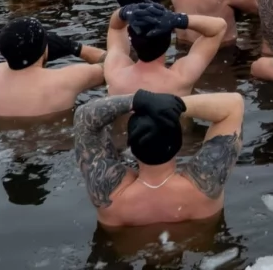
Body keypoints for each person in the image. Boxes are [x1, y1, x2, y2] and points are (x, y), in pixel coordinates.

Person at [73, 88, 243, 227]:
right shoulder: (205, 183)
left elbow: (84, 116)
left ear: (131, 146)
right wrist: (176, 104)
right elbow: (234, 104)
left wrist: (139, 99)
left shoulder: (108, 192)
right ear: (178, 143)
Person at [0, 17, 106, 117]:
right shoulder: (65, 80)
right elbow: (115, 66)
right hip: (59, 142)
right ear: (45, 49)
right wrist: (73, 47)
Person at [102, 1, 227, 96]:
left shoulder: (114, 73)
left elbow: (115, 28)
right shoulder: (182, 77)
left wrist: (126, 11)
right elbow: (218, 27)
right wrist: (177, 19)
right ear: (168, 40)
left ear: (130, 37)